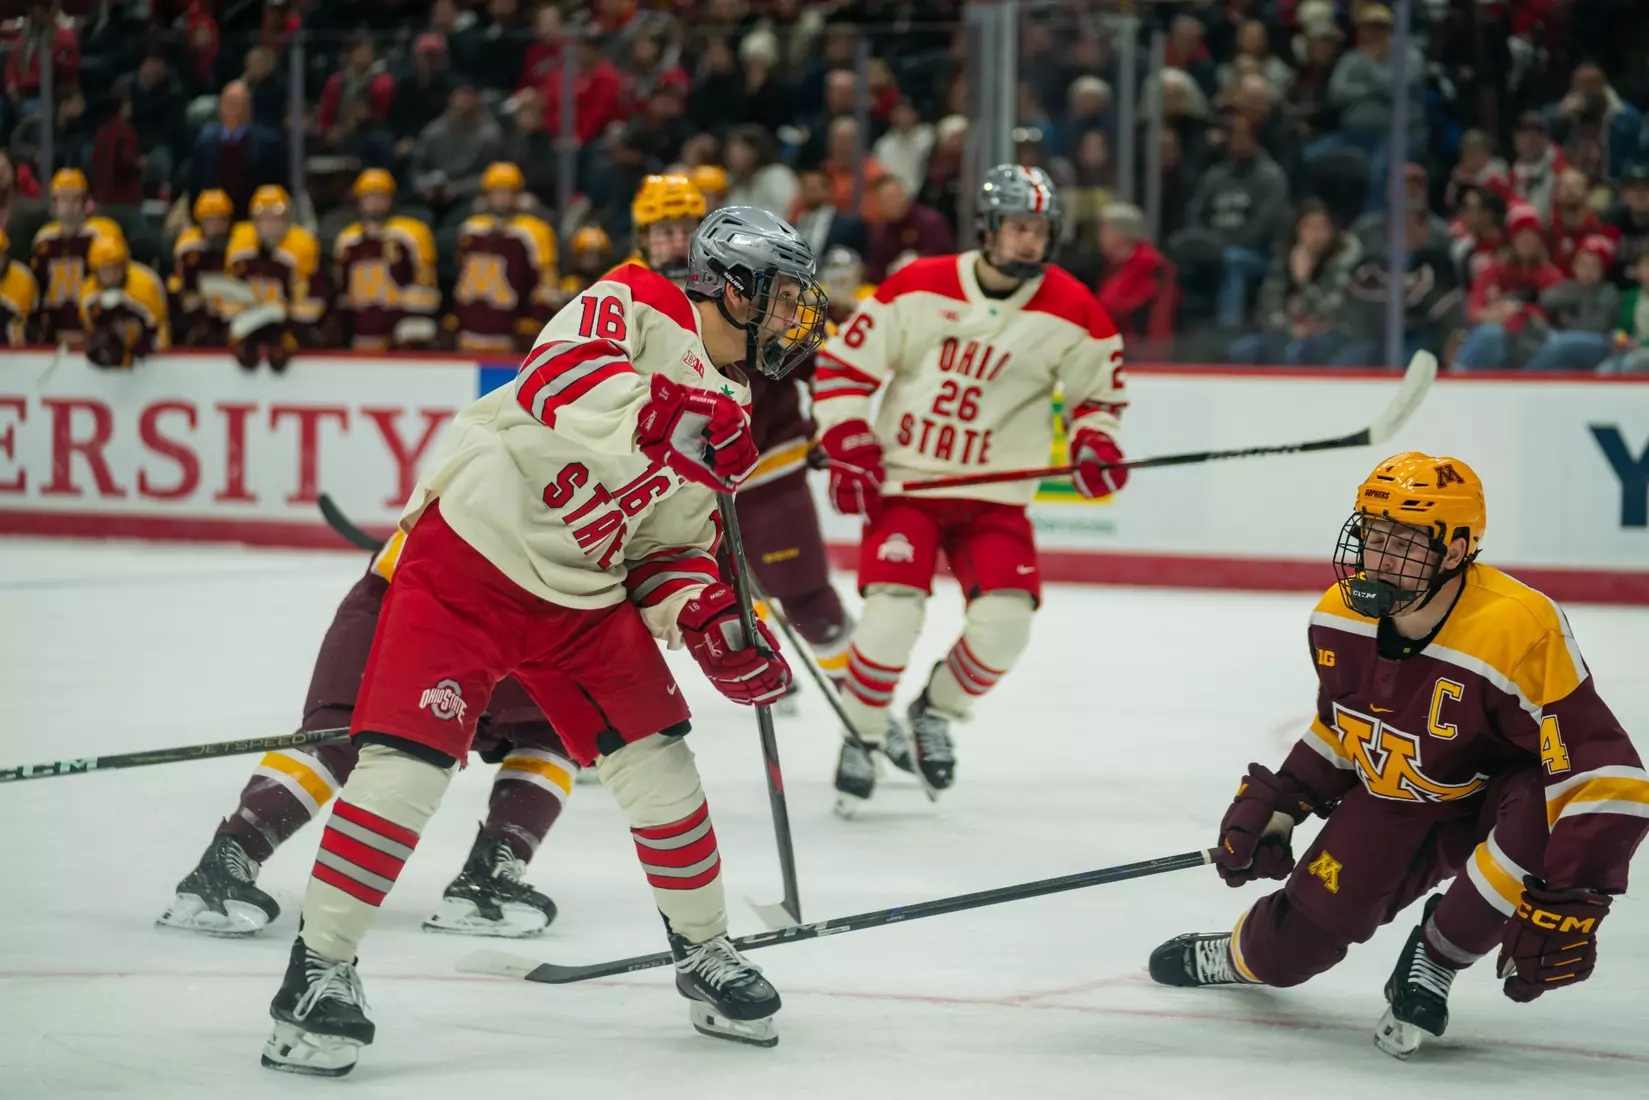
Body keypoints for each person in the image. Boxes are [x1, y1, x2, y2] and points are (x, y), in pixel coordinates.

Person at [258, 207, 827, 1075]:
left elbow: (667, 549)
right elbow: (555, 378)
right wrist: (668, 415)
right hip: (470, 560)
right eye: (783, 296)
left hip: (583, 598)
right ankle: (317, 971)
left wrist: (710, 622)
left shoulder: (736, 404)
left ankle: (703, 949)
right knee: (408, 768)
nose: (794, 317)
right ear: (732, 287)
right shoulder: (636, 300)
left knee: (660, 761)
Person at [1149, 452, 1646, 1059]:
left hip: (1497, 799)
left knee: (1548, 801)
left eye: (1405, 543)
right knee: (1286, 954)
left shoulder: (1518, 626)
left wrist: (1573, 897)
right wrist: (1285, 800)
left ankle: (1436, 957)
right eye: (1374, 535)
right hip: (1399, 798)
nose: (1380, 557)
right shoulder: (1338, 617)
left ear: (1456, 550)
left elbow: (1603, 770)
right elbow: (1344, 728)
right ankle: (1238, 954)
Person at [813, 165, 1127, 803]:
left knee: (1005, 628)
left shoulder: (1076, 309)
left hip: (994, 499)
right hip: (909, 488)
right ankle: (861, 734)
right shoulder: (918, 284)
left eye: (1040, 229)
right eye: (1017, 227)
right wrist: (847, 439)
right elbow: (845, 367)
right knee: (890, 619)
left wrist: (1095, 442)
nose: (1030, 241)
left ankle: (935, 710)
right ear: (987, 228)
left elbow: (1098, 398)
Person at [159, 537, 574, 941]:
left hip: (503, 616)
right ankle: (227, 860)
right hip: (411, 603)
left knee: (557, 728)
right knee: (336, 737)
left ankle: (491, 873)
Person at [442, 162, 558, 354]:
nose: (502, 198)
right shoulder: (471, 229)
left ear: (518, 195)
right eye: (497, 192)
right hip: (469, 332)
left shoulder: (536, 232)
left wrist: (535, 319)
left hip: (510, 335)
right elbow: (462, 277)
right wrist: (456, 314)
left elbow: (547, 282)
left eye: (508, 192)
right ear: (486, 195)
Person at [331, 170, 440, 350]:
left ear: (392, 199)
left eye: (382, 196)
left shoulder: (414, 233)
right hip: (362, 332)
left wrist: (412, 326)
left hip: (402, 335)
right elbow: (343, 289)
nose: (376, 202)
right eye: (370, 196)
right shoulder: (347, 240)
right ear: (359, 200)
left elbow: (426, 286)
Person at [226, 185, 326, 372]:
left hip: (287, 323)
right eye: (264, 218)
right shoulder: (239, 245)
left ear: (287, 219)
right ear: (254, 221)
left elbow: (313, 305)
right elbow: (227, 298)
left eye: (275, 218)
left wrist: (288, 322)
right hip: (251, 322)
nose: (270, 224)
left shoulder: (302, 247)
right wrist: (241, 326)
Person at [29, 168, 125, 347]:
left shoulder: (102, 234)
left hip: (93, 333)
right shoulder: (43, 239)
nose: (69, 205)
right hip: (53, 335)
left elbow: (117, 281)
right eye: (63, 198)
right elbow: (37, 287)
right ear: (53, 202)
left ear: (85, 201)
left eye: (75, 198)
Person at [78, 233, 168, 369]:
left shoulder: (145, 283)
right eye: (105, 269)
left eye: (116, 267)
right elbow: (89, 327)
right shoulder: (88, 292)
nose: (112, 275)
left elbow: (156, 324)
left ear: (125, 265)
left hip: (151, 351)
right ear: (95, 270)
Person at [169, 189, 237, 347]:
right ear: (199, 221)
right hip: (200, 303)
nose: (215, 226)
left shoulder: (240, 242)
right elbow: (183, 282)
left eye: (220, 219)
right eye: (209, 220)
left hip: (232, 303)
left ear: (228, 220)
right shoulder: (188, 246)